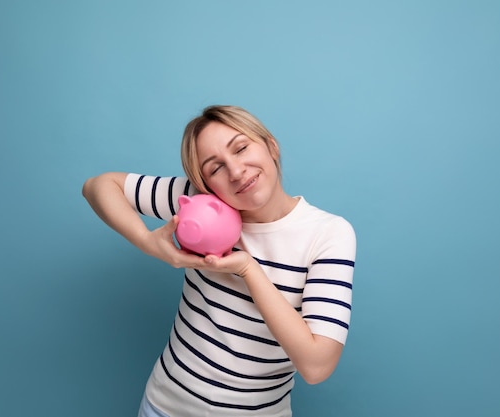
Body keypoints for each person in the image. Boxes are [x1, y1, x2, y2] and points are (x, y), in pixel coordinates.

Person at [82, 105, 356, 417]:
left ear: (272, 146)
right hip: (162, 407)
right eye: (215, 168)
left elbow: (317, 366)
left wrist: (247, 269)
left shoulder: (328, 234)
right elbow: (97, 186)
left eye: (241, 148)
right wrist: (149, 243)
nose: (236, 171)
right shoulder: (200, 203)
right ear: (205, 185)